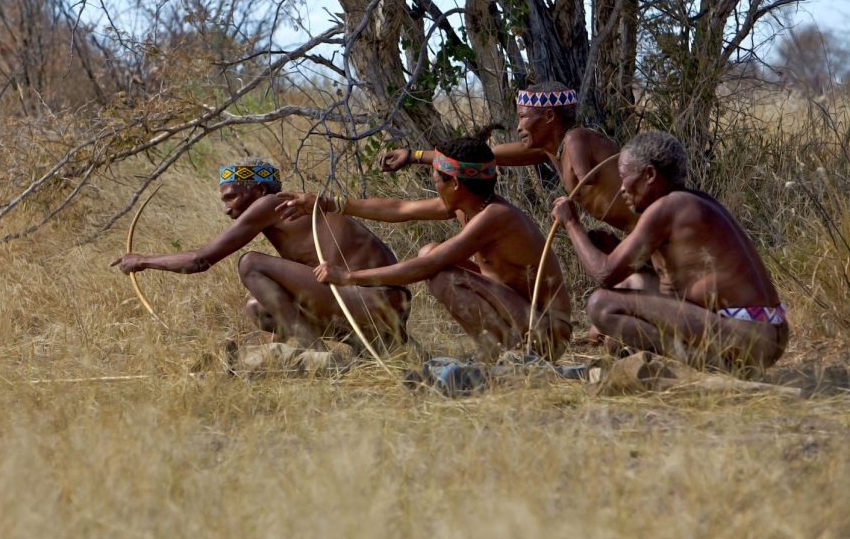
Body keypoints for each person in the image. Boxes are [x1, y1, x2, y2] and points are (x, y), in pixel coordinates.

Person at [278, 128, 573, 362]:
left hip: (546, 332)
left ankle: (512, 356)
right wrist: (328, 203)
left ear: (456, 184)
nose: (434, 184)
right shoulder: (467, 205)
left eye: (437, 178)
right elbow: (401, 209)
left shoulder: (495, 217)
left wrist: (349, 278)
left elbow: (427, 268)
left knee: (439, 268)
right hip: (521, 314)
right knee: (430, 251)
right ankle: (496, 352)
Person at [550, 131, 789, 373]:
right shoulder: (692, 200)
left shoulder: (666, 208)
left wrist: (571, 224)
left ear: (650, 175)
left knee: (601, 305)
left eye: (625, 178)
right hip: (770, 333)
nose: (622, 188)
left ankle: (711, 367)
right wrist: (612, 249)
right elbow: (667, 279)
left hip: (747, 335)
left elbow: (605, 273)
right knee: (627, 297)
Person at [110, 159, 410, 350]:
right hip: (378, 308)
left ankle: (316, 355)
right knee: (259, 308)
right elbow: (303, 292)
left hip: (374, 301)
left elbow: (200, 260)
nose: (227, 208)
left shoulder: (271, 204)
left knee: (250, 263)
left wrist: (143, 261)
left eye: (232, 196)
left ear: (259, 190)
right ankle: (361, 347)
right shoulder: (288, 216)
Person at [379, 80, 637, 233]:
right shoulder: (551, 149)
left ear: (549, 117)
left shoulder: (576, 138)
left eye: (524, 117)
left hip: (649, 227)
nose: (518, 126)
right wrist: (414, 155)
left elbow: (586, 179)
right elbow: (481, 157)